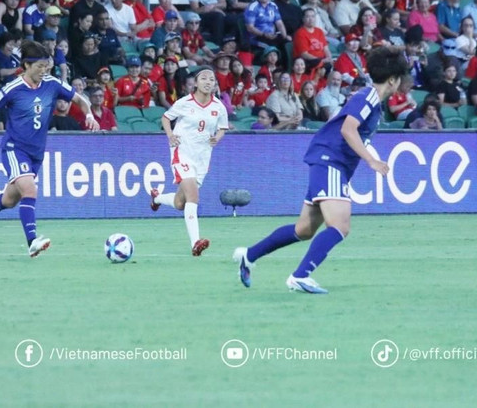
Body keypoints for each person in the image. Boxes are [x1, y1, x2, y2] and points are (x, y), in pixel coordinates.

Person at [234, 47, 407, 294]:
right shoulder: (367, 97)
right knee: (340, 225)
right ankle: (300, 276)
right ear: (393, 79)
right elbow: (348, 130)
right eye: (400, 78)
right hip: (330, 160)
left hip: (328, 161)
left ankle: (249, 255)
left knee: (303, 229)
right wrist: (371, 160)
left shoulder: (373, 102)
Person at [0, 41, 98, 256]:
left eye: (46, 66)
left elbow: (79, 99)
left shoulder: (52, 83)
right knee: (30, 189)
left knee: (10, 200)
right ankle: (32, 241)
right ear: (26, 65)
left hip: (36, 153)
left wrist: (89, 114)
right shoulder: (13, 88)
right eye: (39, 67)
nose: (43, 70)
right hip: (14, 148)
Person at [150, 67, 228, 256]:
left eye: (211, 79)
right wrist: (170, 135)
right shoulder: (184, 103)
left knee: (180, 203)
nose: (208, 82)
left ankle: (157, 198)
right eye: (204, 78)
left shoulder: (218, 107)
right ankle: (195, 242)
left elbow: (222, 128)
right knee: (193, 197)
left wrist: (217, 138)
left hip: (202, 157)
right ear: (195, 82)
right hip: (182, 152)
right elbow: (166, 118)